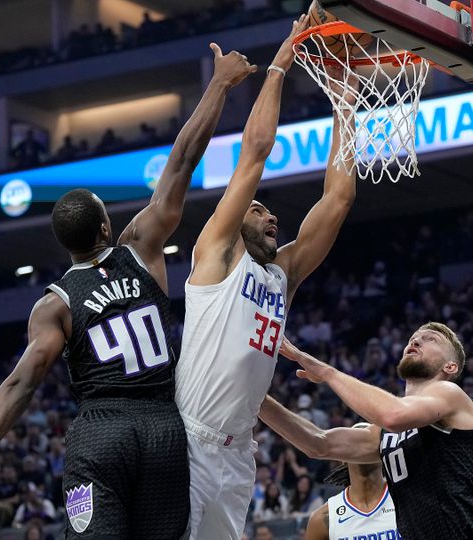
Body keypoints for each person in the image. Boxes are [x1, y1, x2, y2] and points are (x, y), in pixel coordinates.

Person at [0, 43, 256, 538]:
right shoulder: (140, 248)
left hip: (103, 433)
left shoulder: (55, 304)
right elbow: (183, 160)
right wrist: (219, 84)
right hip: (163, 428)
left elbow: (22, 383)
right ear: (106, 228)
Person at [175, 15, 358, 540]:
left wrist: (344, 103)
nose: (271, 215)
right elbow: (254, 153)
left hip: (239, 453)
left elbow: (338, 199)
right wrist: (281, 63)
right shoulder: (215, 254)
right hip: (189, 440)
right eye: (257, 209)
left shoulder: (283, 274)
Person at [259, 323, 473, 539]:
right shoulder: (386, 434)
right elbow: (318, 444)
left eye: (430, 339)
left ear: (450, 366)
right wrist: (252, 396)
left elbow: (393, 415)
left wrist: (327, 372)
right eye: (413, 338)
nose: (415, 341)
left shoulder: (450, 394)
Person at [304, 423, 399, 540]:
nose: (361, 448)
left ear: (382, 451)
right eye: (355, 443)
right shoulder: (323, 518)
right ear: (343, 458)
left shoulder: (408, 499)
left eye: (367, 442)